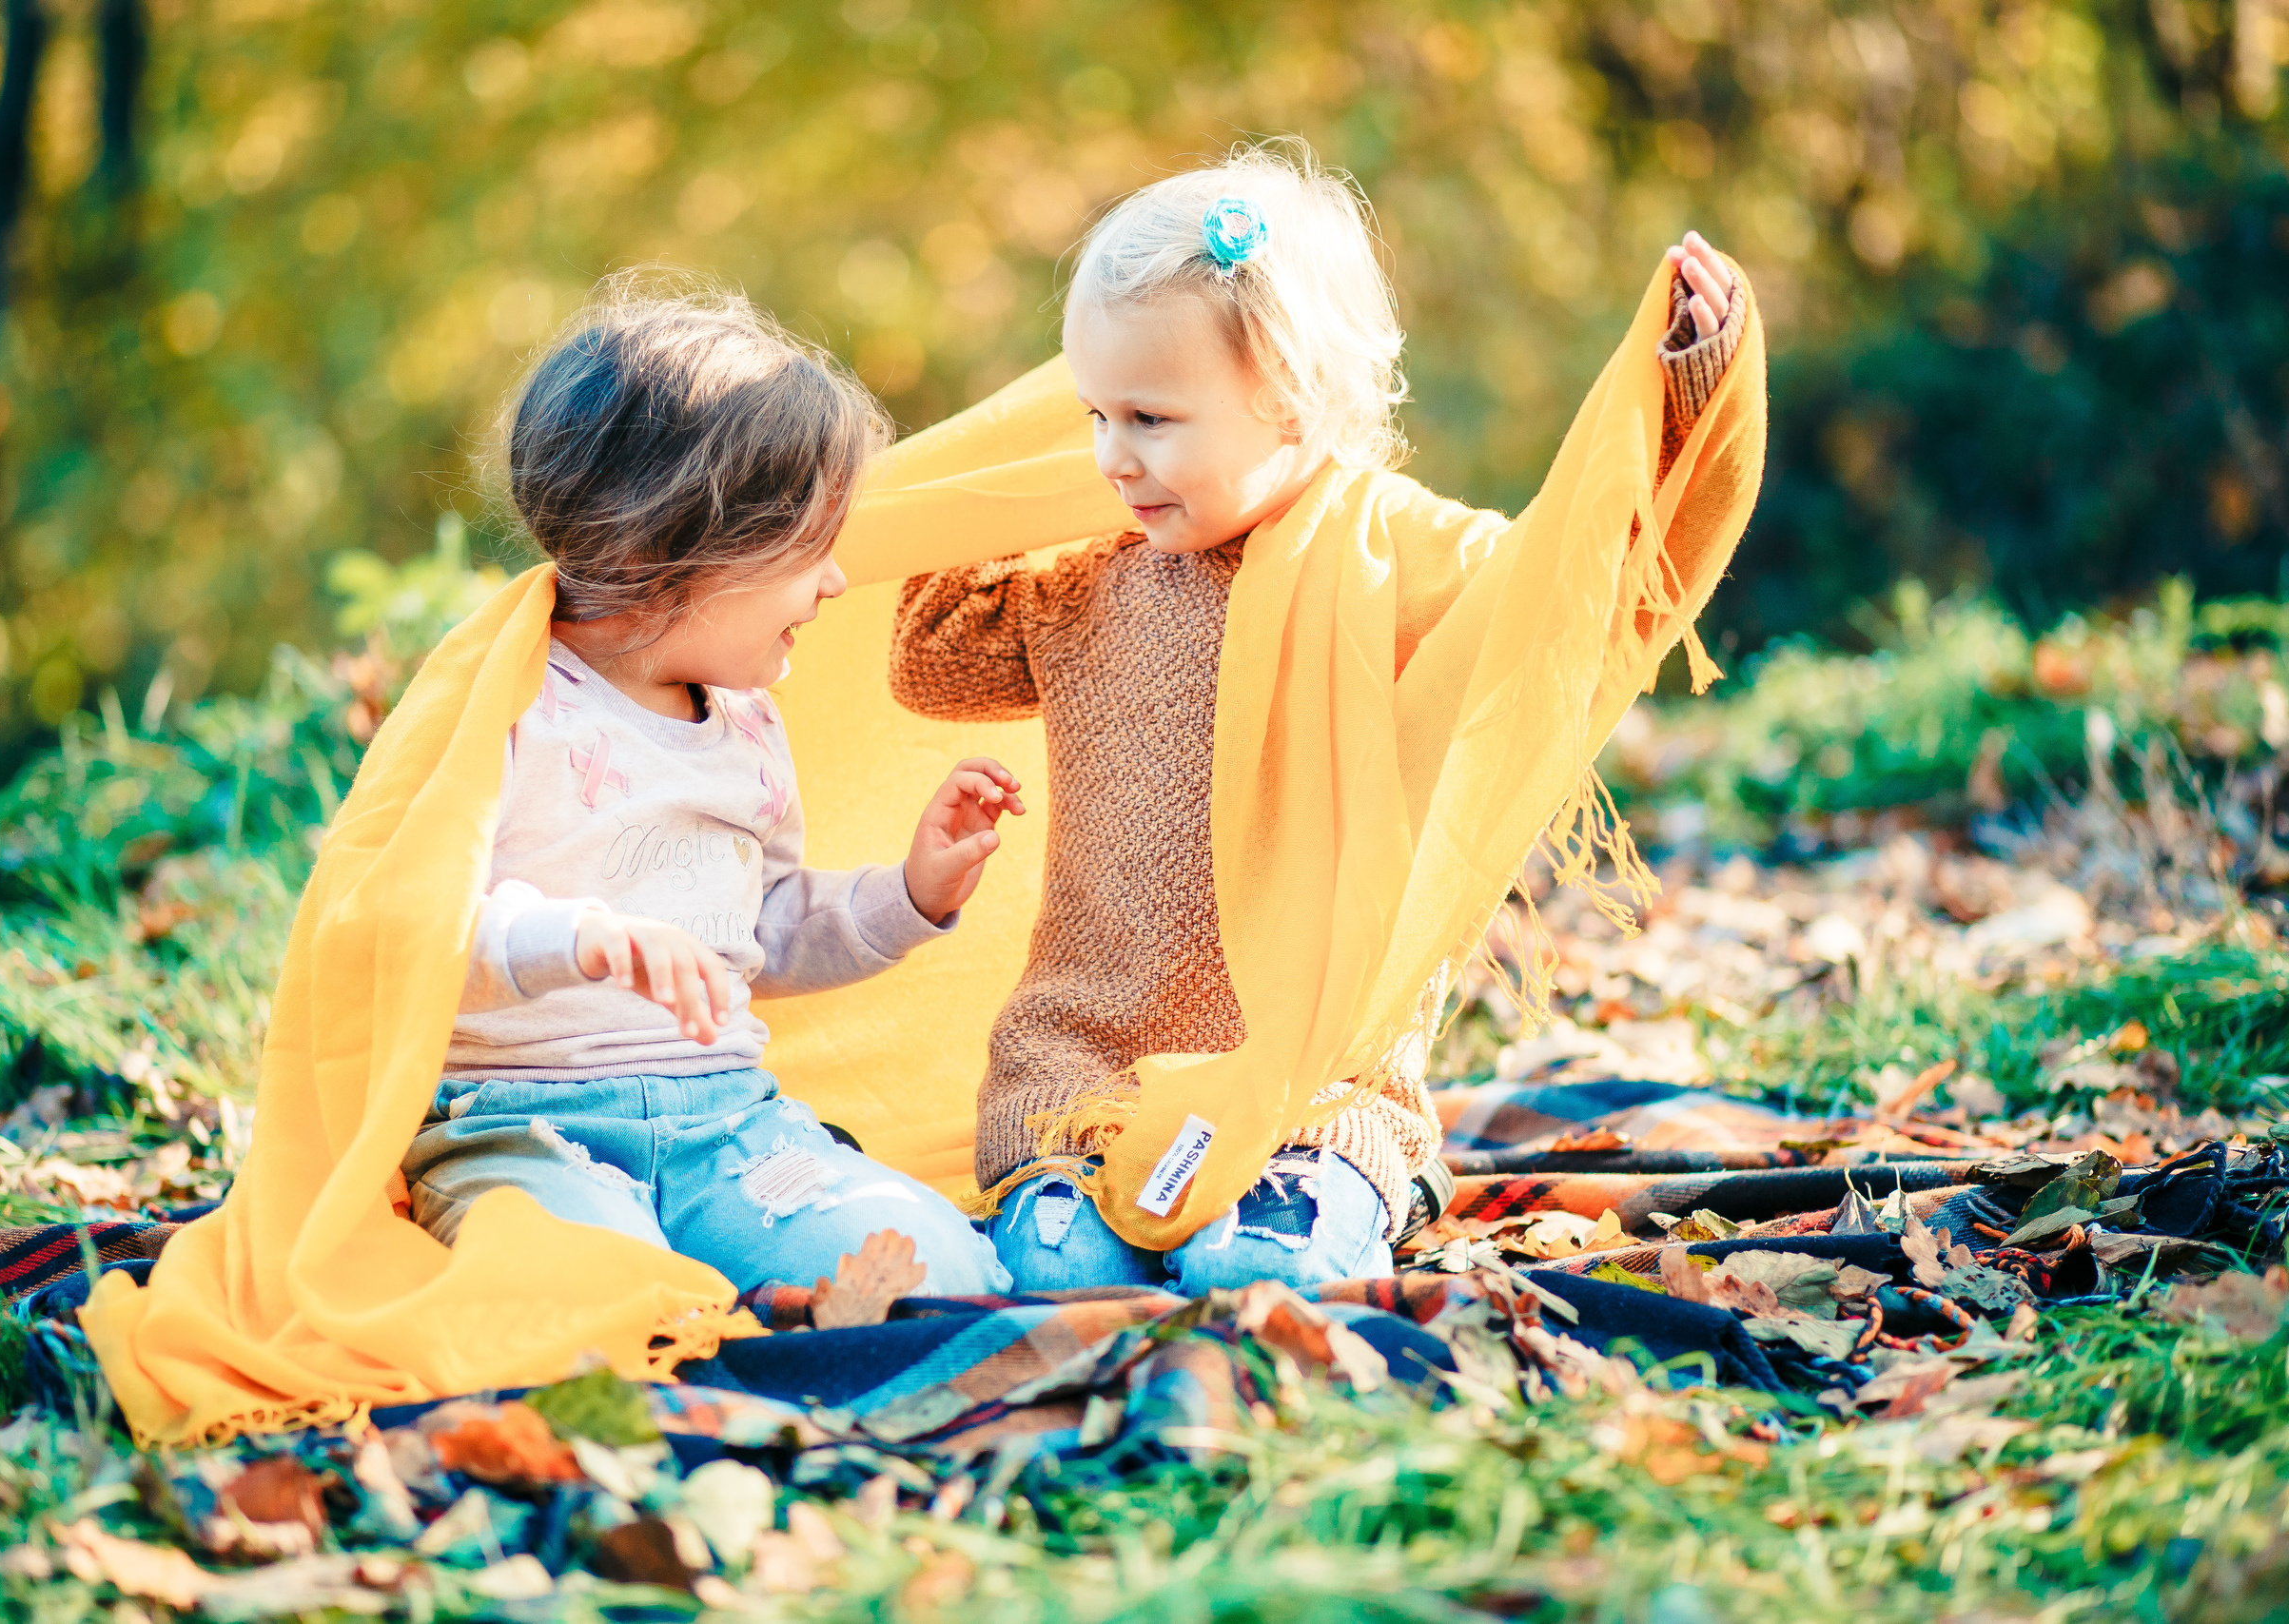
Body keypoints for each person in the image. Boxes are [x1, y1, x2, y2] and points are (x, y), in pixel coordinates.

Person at [888, 142, 1751, 1294]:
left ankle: (1326, 1207)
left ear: (1289, 395)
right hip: (1084, 1076)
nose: (1109, 457)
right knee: (1070, 1277)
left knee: (1251, 1275)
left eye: (1148, 417)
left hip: (1317, 1087)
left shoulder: (1399, 558)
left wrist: (1683, 401)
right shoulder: (1086, 580)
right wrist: (1008, 475)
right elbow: (928, 659)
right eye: (1090, 412)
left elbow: (1580, 592)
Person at [405, 280, 1017, 1295]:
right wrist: (581, 937)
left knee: (940, 1273)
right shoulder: (504, 704)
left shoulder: (747, 728)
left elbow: (759, 931)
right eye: (807, 551)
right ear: (671, 553)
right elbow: (411, 931)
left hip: (725, 1126)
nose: (832, 584)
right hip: (523, 1129)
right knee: (594, 1292)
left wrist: (908, 895)